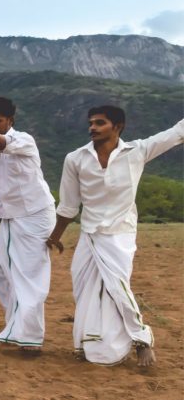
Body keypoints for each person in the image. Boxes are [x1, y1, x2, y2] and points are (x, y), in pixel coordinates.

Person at [47, 107, 183, 367]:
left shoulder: (138, 151)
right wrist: (55, 236)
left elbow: (177, 133)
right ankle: (88, 345)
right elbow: (68, 206)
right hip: (90, 234)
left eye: (100, 123)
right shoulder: (75, 159)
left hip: (120, 234)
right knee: (84, 290)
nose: (93, 127)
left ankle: (142, 340)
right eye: (91, 123)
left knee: (117, 289)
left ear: (117, 126)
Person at [0, 95, 56, 353]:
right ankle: (19, 326)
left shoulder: (23, 140)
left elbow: (5, 144)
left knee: (29, 276)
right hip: (9, 217)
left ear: (10, 121)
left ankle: (31, 340)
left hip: (35, 214)